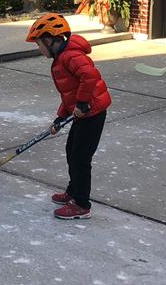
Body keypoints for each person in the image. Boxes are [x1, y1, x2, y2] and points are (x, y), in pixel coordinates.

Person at [26, 13, 111, 220]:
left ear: (49, 40)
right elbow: (69, 95)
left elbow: (89, 76)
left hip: (93, 113)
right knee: (72, 151)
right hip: (85, 113)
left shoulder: (70, 56)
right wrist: (60, 118)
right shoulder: (62, 58)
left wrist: (82, 103)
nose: (39, 49)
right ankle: (73, 191)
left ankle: (81, 204)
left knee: (80, 158)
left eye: (38, 44)